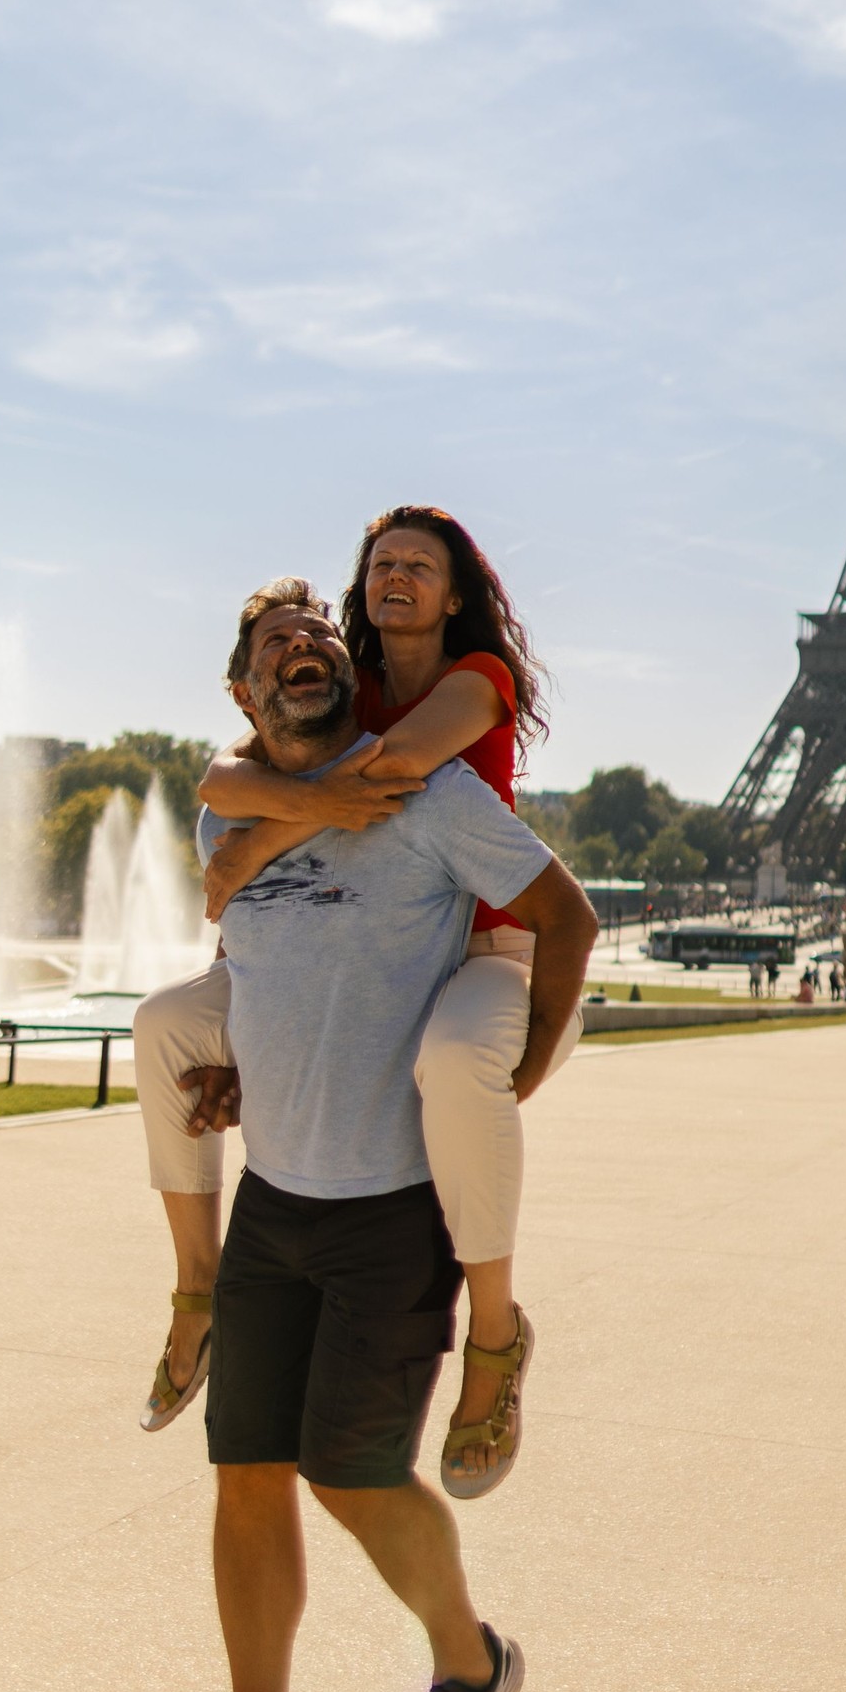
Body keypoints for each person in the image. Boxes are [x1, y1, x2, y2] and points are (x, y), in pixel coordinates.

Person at [120, 581, 596, 1692]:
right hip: (274, 1201)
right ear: (241, 692)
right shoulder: (240, 810)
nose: (304, 653)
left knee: (352, 1470)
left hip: (389, 1212)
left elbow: (565, 916)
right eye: (276, 647)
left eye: (320, 639)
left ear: (350, 671)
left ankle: (472, 1659)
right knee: (246, 1476)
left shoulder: (431, 796)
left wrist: (520, 1068)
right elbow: (252, 976)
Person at [134, 510, 575, 1498]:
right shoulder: (347, 684)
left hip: (492, 947)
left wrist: (252, 840)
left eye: (422, 563)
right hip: (392, 945)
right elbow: (230, 771)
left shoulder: (475, 682)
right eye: (381, 563)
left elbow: (388, 774)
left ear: (457, 593)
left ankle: (496, 1336)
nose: (398, 575)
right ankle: (194, 1286)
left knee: (458, 1064)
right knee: (164, 1027)